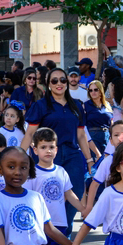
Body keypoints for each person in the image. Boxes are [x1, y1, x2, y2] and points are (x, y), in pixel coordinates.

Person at [22, 67, 93, 229]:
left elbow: (81, 135)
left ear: (67, 83)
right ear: (48, 84)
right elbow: (29, 134)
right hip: (45, 156)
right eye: (54, 80)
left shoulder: (76, 105)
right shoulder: (40, 106)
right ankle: (44, 230)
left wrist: (89, 159)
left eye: (62, 80)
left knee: (77, 191)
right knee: (45, 195)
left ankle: (63, 231)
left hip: (72, 155)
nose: (59, 83)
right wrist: (19, 155)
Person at [26, 128, 86, 245]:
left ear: (57, 149)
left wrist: (83, 208)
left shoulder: (60, 171)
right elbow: (27, 200)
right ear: (35, 150)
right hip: (39, 224)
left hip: (59, 222)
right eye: (43, 147)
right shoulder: (32, 174)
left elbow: (69, 194)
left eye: (51, 147)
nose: (48, 151)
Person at [83, 81, 112, 155]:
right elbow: (83, 126)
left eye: (96, 89)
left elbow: (111, 123)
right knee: (95, 162)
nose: (93, 92)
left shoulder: (107, 105)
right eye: (90, 90)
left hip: (107, 136)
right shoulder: (85, 105)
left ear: (100, 91)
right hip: (93, 136)